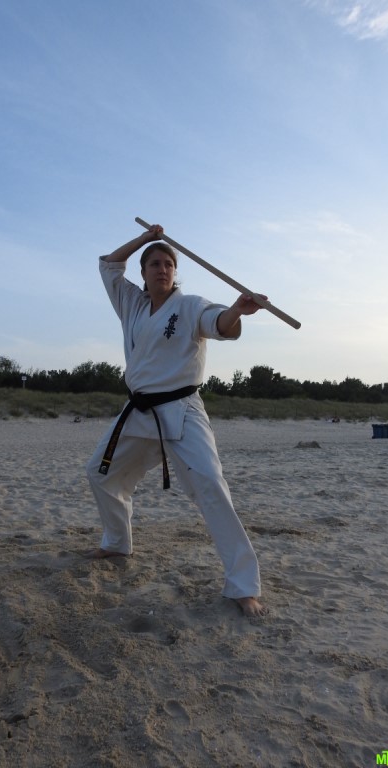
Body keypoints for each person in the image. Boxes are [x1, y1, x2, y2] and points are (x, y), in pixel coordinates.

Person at [85, 224, 266, 618]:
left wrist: (237, 310)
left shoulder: (190, 306)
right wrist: (146, 237)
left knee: (210, 485)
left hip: (182, 410)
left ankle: (242, 586)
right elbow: (109, 264)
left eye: (168, 264)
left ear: (175, 272)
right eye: (154, 264)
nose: (162, 269)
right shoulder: (131, 303)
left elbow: (219, 323)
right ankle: (117, 543)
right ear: (143, 272)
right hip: (139, 411)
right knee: (101, 474)